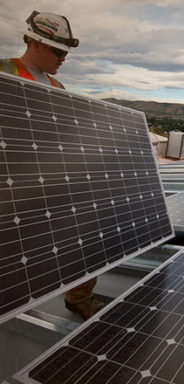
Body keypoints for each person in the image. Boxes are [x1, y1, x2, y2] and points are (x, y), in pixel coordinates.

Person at [2, 11, 104, 321]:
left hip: (48, 180)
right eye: (58, 52)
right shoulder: (4, 73)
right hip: (10, 184)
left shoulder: (57, 87)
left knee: (90, 231)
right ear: (35, 43)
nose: (63, 59)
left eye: (65, 53)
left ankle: (78, 297)